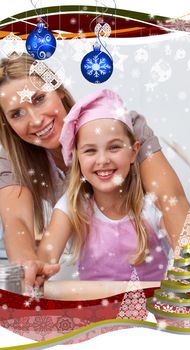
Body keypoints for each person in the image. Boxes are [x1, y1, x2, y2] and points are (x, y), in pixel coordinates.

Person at [0, 54, 190, 289]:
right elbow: (17, 222)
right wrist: (27, 263)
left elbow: (169, 199)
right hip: (86, 276)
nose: (36, 120)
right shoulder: (12, 159)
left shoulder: (123, 124)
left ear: (57, 89)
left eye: (39, 99)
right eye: (17, 113)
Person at [35, 89, 170, 283]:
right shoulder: (71, 206)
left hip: (151, 310)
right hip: (94, 312)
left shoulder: (151, 204)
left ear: (134, 152)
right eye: (90, 150)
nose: (103, 160)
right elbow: (45, 260)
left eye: (114, 147)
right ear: (77, 158)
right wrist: (40, 271)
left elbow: (185, 247)